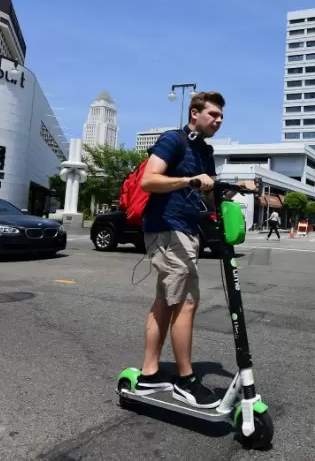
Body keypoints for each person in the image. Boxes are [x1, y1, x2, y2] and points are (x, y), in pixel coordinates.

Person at [135, 91, 225, 408]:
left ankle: (149, 374)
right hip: (166, 227)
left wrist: (231, 190)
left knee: (165, 301)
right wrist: (189, 180)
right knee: (186, 303)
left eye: (221, 116)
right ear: (194, 114)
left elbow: (209, 193)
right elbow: (149, 180)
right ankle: (185, 381)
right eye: (212, 114)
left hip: (187, 232)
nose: (218, 120)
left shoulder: (206, 151)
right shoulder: (173, 140)